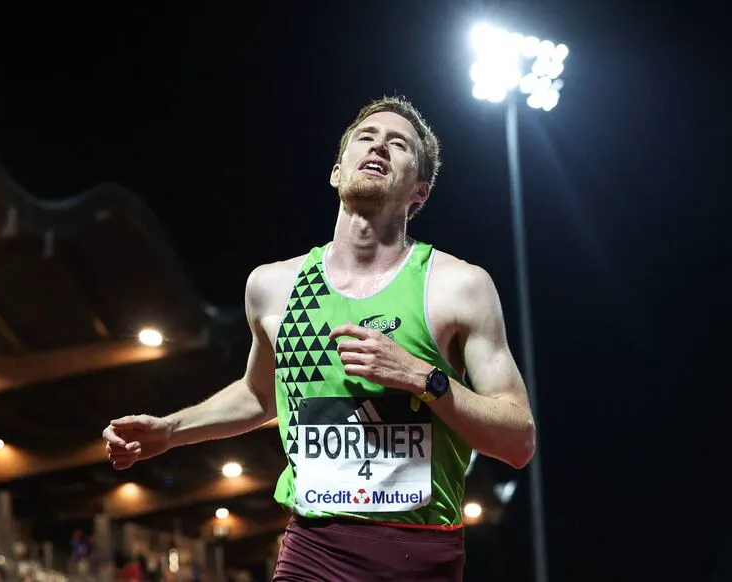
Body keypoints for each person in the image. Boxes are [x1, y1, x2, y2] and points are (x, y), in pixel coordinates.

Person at [102, 96, 536, 581]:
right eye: (366, 138)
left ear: (420, 191)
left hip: (420, 556)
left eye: (399, 144)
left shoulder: (458, 286)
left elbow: (518, 440)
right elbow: (260, 393)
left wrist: (422, 377)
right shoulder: (274, 288)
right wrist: (170, 430)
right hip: (313, 550)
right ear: (337, 171)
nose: (379, 146)